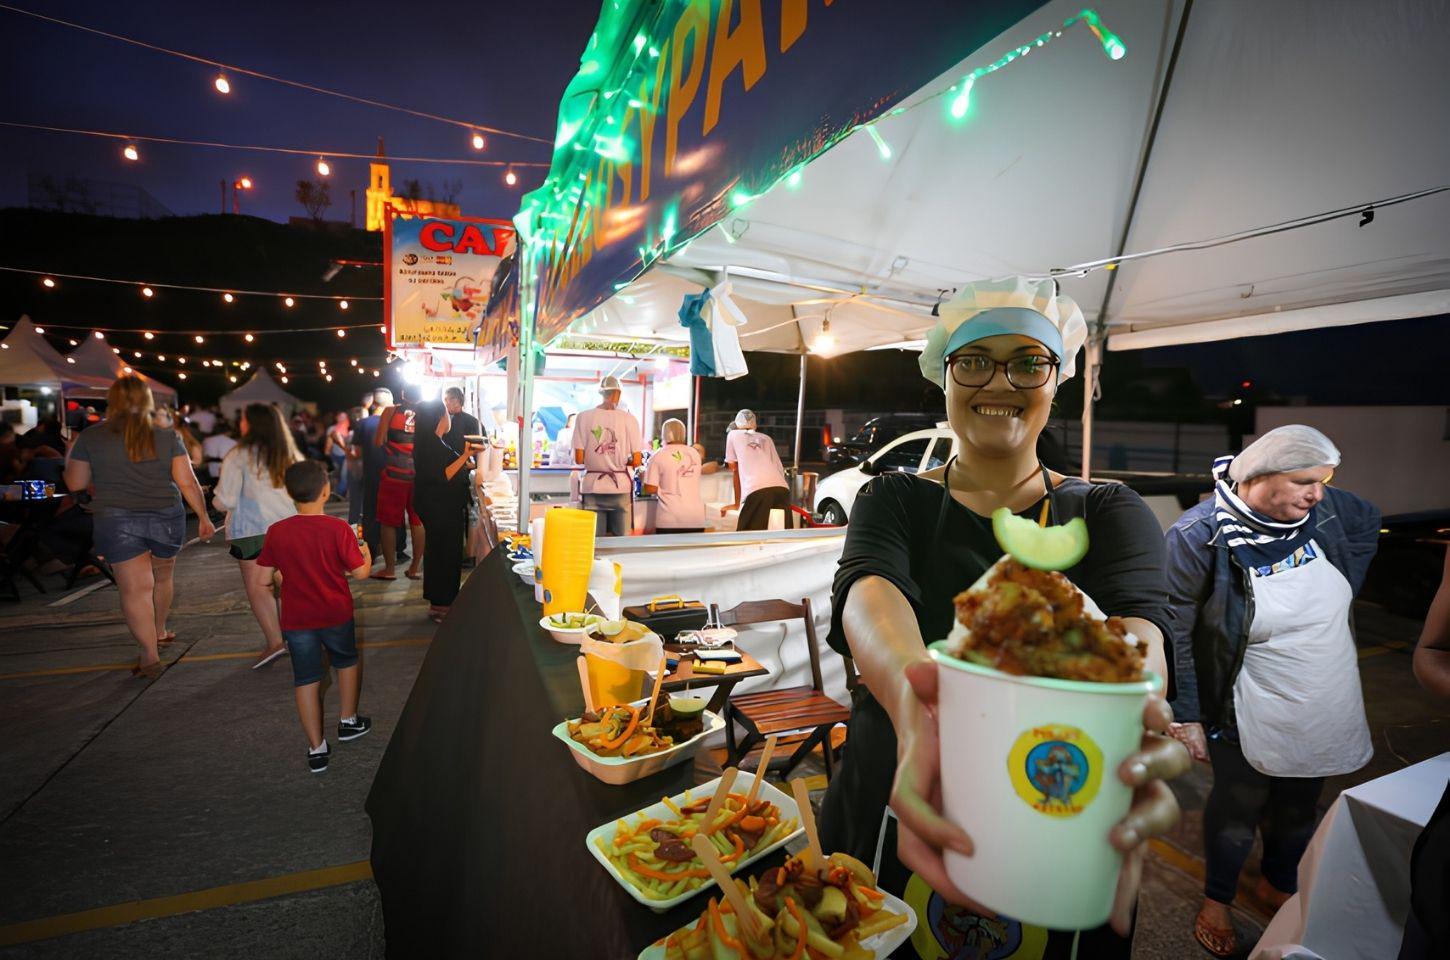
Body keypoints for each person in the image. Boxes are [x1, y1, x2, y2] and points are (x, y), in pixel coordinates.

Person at [817, 277, 1189, 958]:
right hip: (894, 793)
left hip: (1055, 793)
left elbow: (1140, 639)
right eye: (975, 360)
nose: (1001, 381)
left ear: (1057, 378)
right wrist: (916, 704)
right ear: (944, 373)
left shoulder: (1108, 511)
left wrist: (1134, 706)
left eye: (1027, 362)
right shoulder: (893, 498)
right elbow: (870, 598)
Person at [1164, 425, 1379, 958]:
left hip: (1322, 687)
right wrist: (1186, 711)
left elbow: (1367, 521)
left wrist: (1345, 587)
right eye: (1305, 480)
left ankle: (1277, 882)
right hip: (1248, 695)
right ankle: (1217, 898)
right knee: (1239, 806)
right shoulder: (1199, 535)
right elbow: (1175, 628)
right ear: (1259, 476)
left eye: (1324, 480)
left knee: (1300, 802)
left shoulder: (1326, 515)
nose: (1319, 494)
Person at [63, 374, 215, 678]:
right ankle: (159, 629)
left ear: (113, 401)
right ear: (147, 401)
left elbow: (75, 482)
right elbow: (187, 481)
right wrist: (203, 517)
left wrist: (72, 448)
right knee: (161, 576)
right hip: (165, 515)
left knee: (135, 589)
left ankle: (148, 654)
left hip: (116, 518)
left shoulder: (92, 436)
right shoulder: (167, 436)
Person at [255, 461, 372, 774]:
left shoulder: (277, 532)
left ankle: (316, 748)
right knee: (345, 662)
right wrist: (366, 549)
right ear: (326, 491)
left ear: (291, 494)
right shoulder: (338, 529)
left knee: (306, 678)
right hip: (335, 612)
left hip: (297, 619)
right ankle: (348, 721)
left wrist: (285, 579)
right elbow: (360, 572)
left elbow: (263, 580)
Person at [213, 403, 301, 669]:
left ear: (250, 425)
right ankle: (295, 637)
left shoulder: (238, 455)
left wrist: (214, 505)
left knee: (259, 588)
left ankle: (275, 642)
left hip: (251, 531)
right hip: (289, 527)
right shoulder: (289, 453)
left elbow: (225, 499)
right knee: (288, 586)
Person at [411, 401, 484, 622]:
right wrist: (464, 457)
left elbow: (444, 467)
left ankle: (440, 602)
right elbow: (442, 475)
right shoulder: (432, 443)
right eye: (446, 414)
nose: (449, 418)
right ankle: (442, 605)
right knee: (444, 554)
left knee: (442, 553)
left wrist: (466, 462)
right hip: (440, 507)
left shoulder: (431, 441)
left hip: (439, 506)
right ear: (440, 418)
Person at [573, 375, 642, 536]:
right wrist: (622, 458)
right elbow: (637, 460)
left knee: (595, 543)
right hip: (620, 486)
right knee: (622, 542)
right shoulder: (629, 419)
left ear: (601, 393)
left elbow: (579, 458)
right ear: (617, 394)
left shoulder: (583, 417)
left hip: (592, 487)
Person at [372, 388, 424, 580]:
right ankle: (415, 568)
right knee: (417, 521)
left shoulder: (390, 411)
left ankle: (389, 569)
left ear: (402, 394)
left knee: (388, 523)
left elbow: (379, 441)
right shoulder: (426, 413)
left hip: (394, 474)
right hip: (418, 476)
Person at [724, 409, 793, 531]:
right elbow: (778, 468)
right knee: (782, 537)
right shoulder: (766, 438)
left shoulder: (733, 434)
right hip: (782, 489)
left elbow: (734, 469)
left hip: (757, 490)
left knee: (747, 537)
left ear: (736, 425)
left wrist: (736, 504)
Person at [642, 418, 706, 533]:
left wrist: (643, 477)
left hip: (669, 518)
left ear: (664, 434)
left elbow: (650, 488)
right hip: (696, 517)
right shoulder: (694, 454)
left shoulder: (658, 456)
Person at [351, 389, 390, 554]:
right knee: (391, 512)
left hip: (370, 473)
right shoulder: (391, 422)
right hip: (391, 473)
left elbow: (357, 453)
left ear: (374, 403)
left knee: (370, 510)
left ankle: (371, 549)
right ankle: (397, 548)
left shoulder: (362, 424)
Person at [442, 386, 481, 451]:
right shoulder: (443, 420)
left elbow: (476, 447)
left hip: (463, 458)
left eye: (447, 400)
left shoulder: (472, 422)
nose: (446, 404)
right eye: (445, 400)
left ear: (457, 401)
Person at [323, 411, 352, 497]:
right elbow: (329, 444)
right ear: (336, 418)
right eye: (340, 417)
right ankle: (337, 494)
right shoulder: (332, 429)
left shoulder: (349, 428)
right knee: (340, 474)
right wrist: (328, 454)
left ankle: (338, 494)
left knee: (343, 475)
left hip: (346, 456)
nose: (342, 419)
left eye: (344, 417)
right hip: (336, 455)